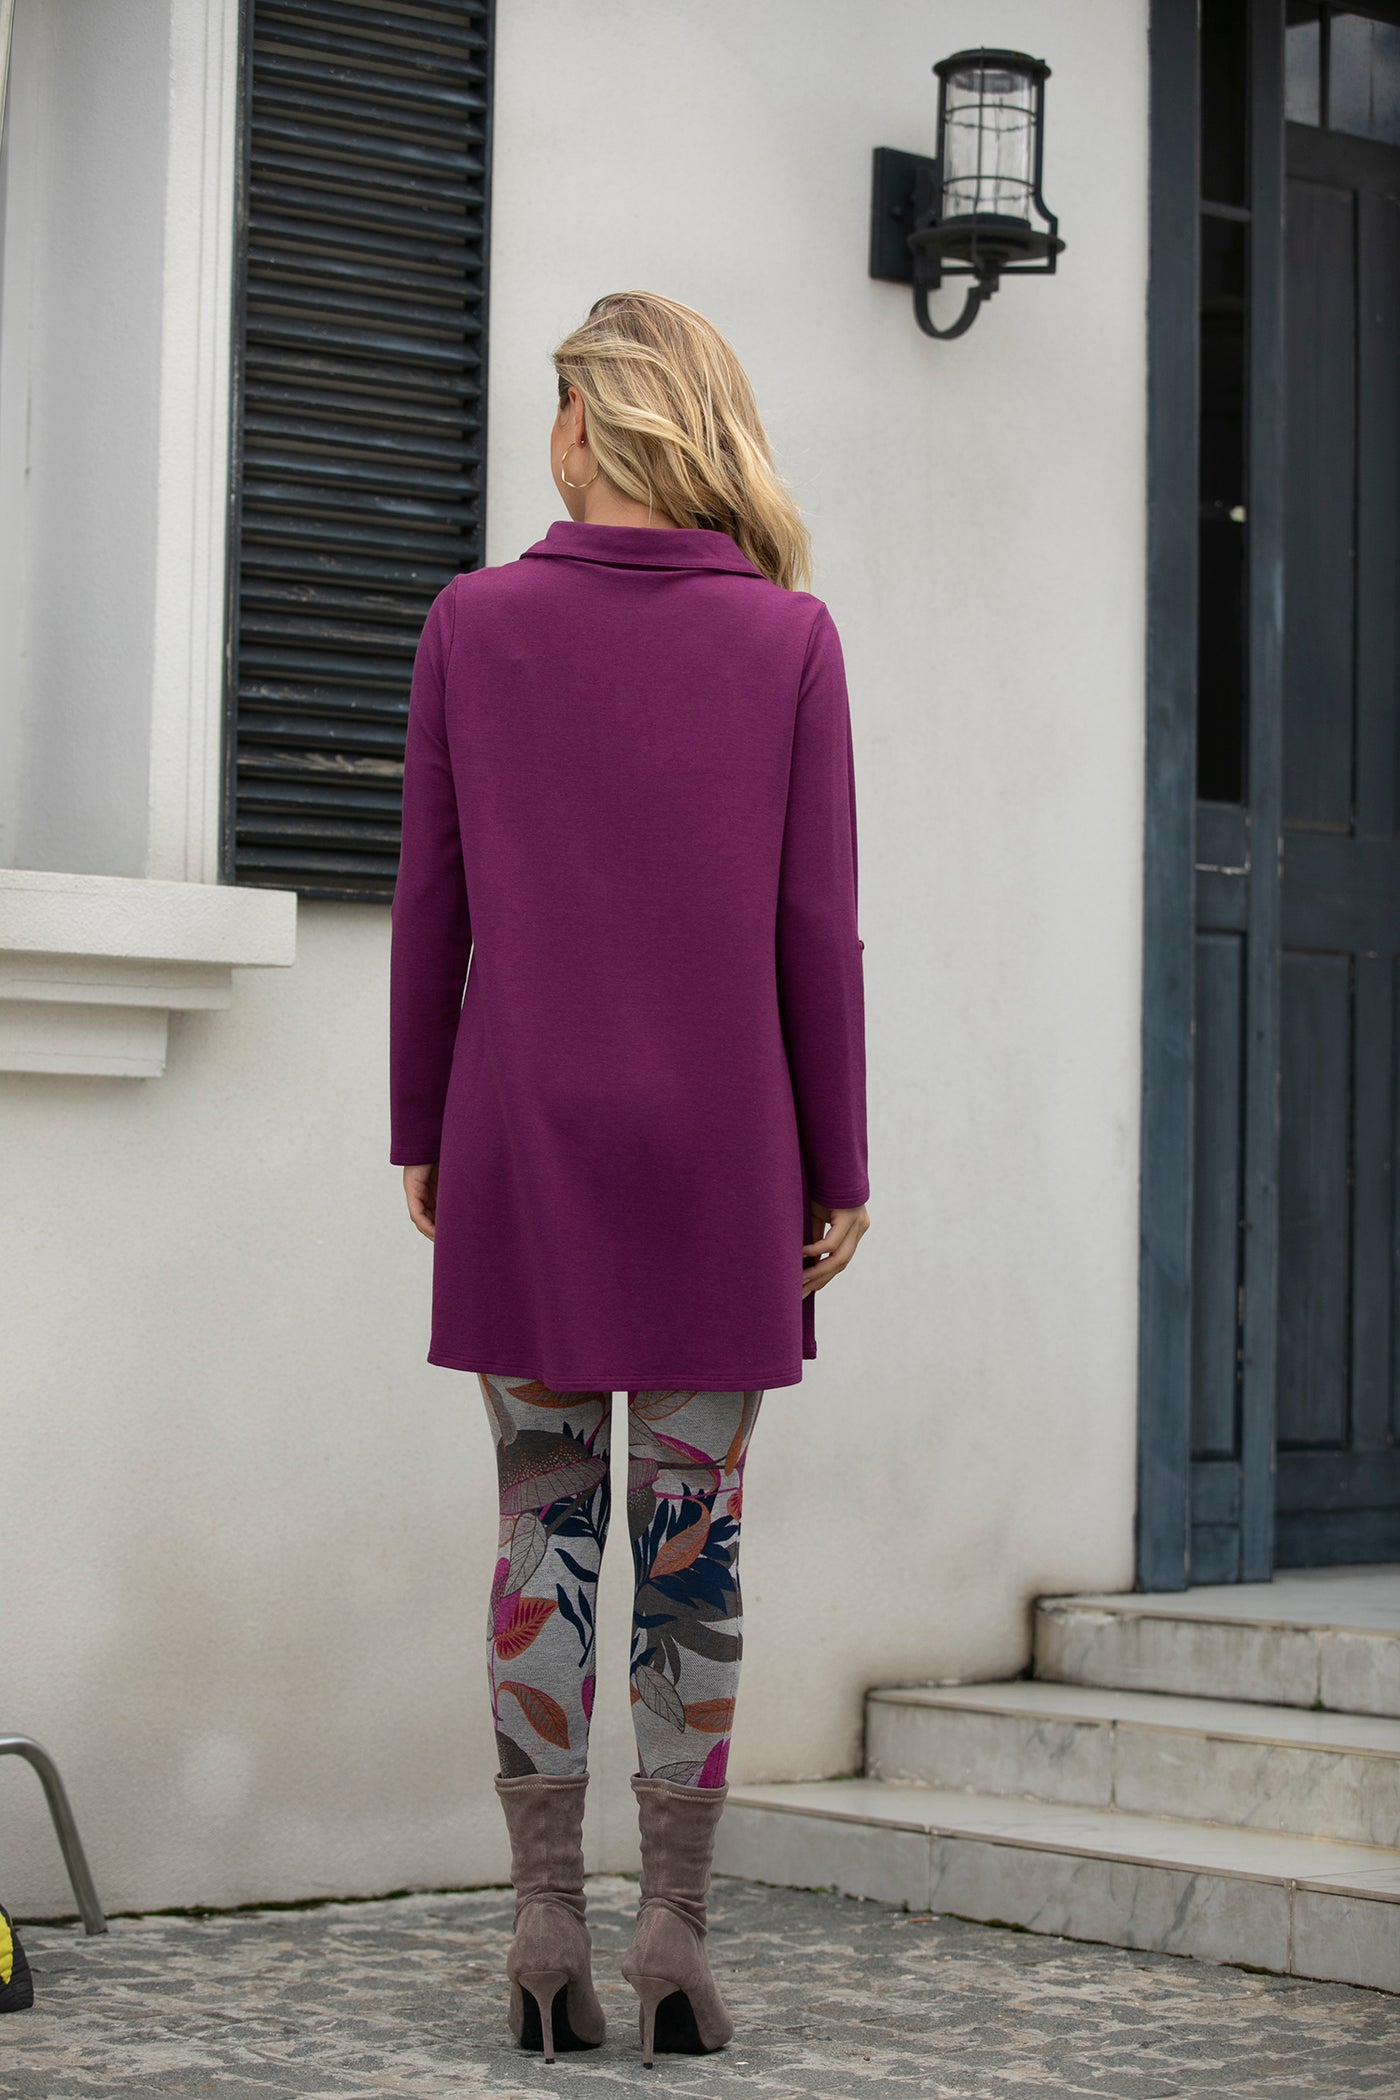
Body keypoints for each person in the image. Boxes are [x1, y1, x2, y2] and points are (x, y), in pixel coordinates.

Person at [388, 290, 870, 2065]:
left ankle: (542, 1929)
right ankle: (673, 1935)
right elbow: (816, 929)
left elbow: (430, 904)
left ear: (587, 425)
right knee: (691, 1552)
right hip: (724, 1159)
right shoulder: (790, 641)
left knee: (543, 1534)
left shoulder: (473, 622)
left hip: (522, 1144)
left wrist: (422, 1129)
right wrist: (840, 1161)